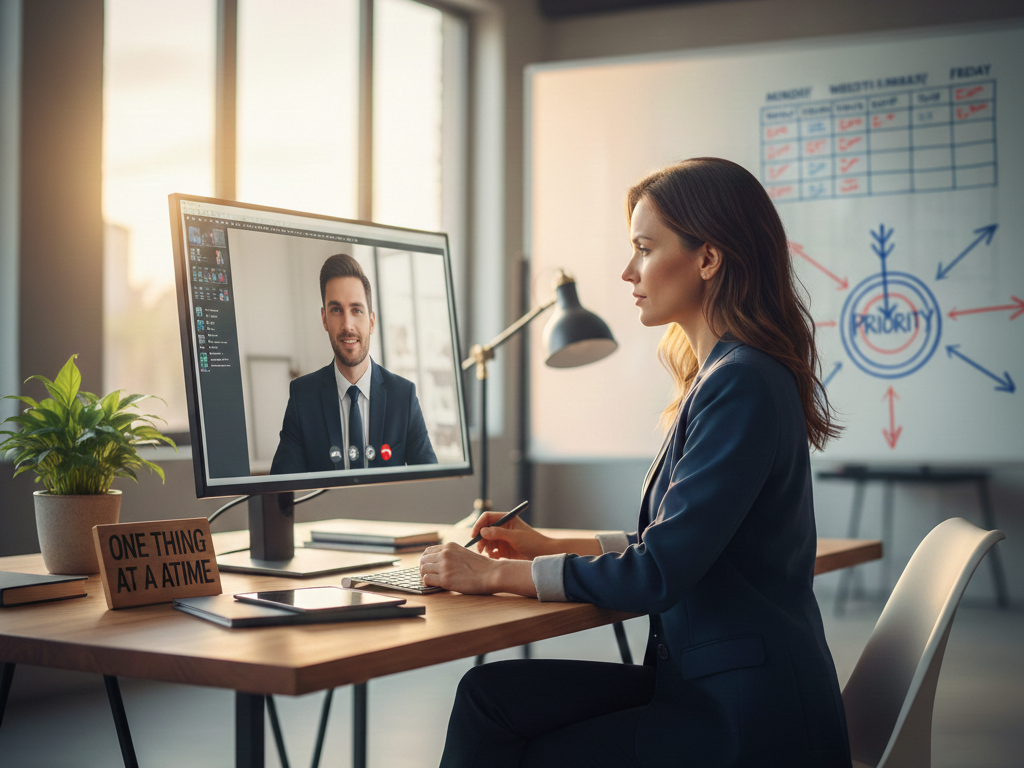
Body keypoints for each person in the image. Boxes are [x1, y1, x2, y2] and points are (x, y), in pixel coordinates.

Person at [419, 158, 851, 767]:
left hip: (744, 718)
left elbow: (659, 572)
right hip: (707, 682)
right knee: (489, 698)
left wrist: (490, 575)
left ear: (708, 258)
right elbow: (678, 542)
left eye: (645, 249)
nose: (628, 271)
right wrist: (546, 547)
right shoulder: (725, 375)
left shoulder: (742, 382)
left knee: (518, 745)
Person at [270, 253, 437, 474]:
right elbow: (282, 488)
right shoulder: (302, 398)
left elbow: (431, 482)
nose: (347, 325)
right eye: (336, 310)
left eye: (357, 310)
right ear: (324, 319)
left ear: (371, 322)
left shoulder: (403, 396)